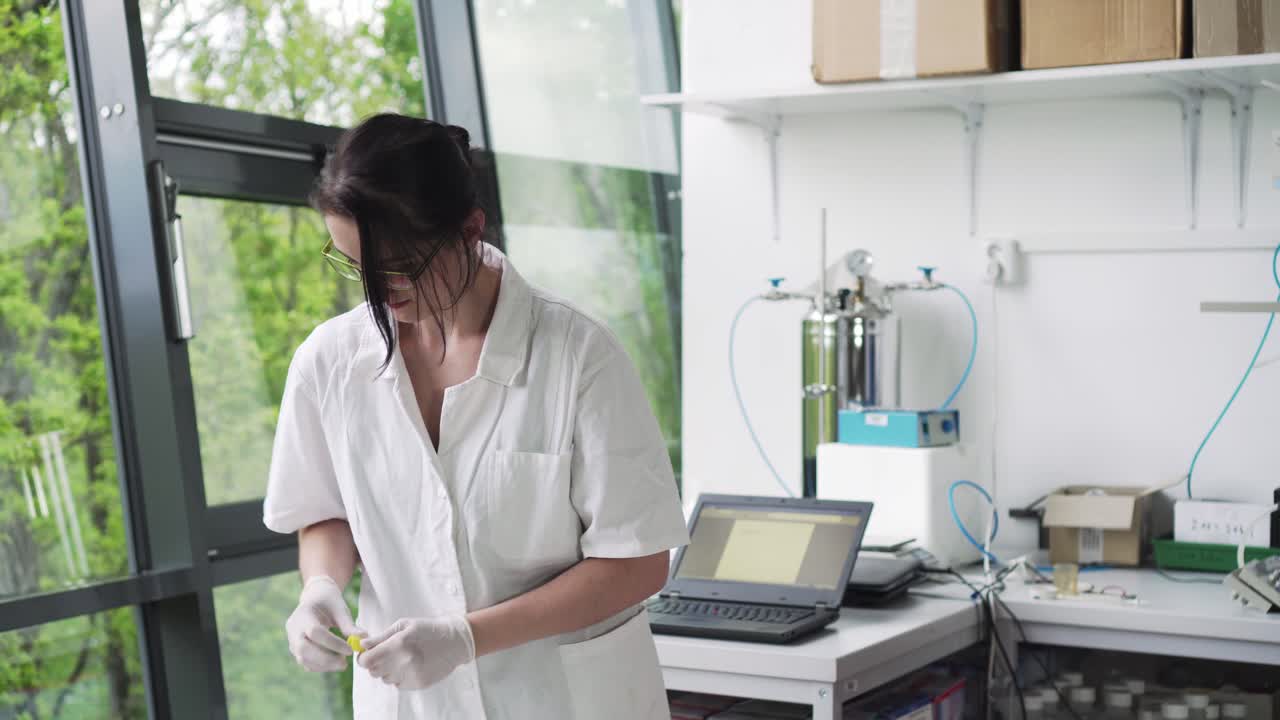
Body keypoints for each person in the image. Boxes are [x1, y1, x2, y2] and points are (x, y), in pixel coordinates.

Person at [263, 114, 689, 719]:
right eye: (357, 267)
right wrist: (319, 588)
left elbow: (638, 561)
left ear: (469, 229)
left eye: (400, 267)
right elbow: (325, 511)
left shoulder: (578, 355)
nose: (379, 294)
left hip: (560, 699)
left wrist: (467, 639)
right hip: (412, 703)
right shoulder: (328, 361)